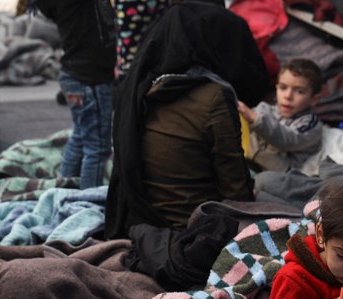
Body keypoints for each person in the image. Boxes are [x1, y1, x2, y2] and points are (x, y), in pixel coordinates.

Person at [105, 1, 270, 236]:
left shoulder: (139, 88)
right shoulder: (213, 96)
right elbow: (235, 189)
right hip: (194, 228)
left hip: (141, 222)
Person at [35, 0, 116, 190]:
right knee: (97, 148)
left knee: (81, 135)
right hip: (90, 79)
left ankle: (62, 188)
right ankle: (87, 204)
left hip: (76, 75)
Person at [238, 58, 323, 173]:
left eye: (299, 91)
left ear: (314, 99)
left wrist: (255, 119)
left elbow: (287, 140)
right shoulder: (265, 109)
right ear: (276, 88)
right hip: (247, 163)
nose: (288, 96)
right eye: (283, 88)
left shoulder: (311, 125)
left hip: (280, 175)